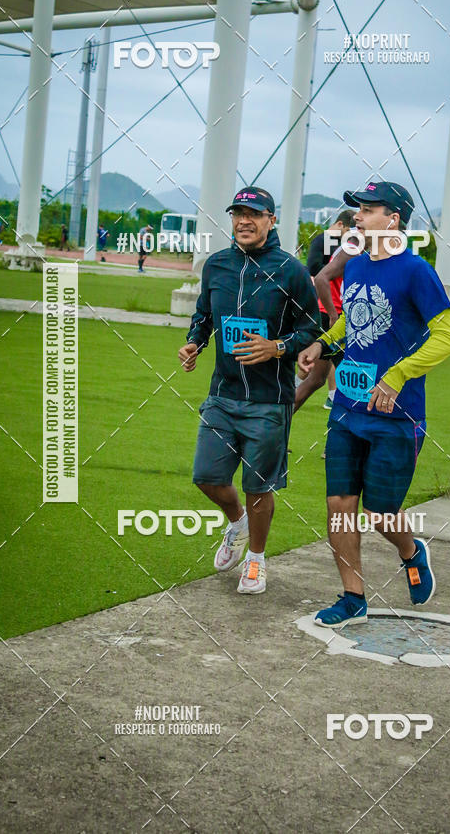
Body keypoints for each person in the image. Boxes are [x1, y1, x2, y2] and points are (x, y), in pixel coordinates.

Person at [298, 181, 450, 627]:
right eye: (357, 209)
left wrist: (397, 373)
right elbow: (356, 317)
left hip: (397, 415)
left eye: (368, 210)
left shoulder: (416, 271)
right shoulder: (357, 266)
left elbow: (449, 336)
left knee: (379, 513)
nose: (358, 217)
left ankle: (410, 551)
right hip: (347, 408)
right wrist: (322, 343)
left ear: (393, 220)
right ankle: (353, 598)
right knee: (339, 506)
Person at [178, 187, 320, 595]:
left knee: (260, 487)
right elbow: (204, 315)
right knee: (206, 476)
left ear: (271, 220)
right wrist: (195, 342)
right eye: (238, 213)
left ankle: (256, 560)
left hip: (269, 401)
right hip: (222, 395)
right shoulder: (216, 265)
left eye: (254, 214)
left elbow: (313, 326)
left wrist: (276, 347)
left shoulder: (291, 270)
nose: (244, 220)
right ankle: (236, 523)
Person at [305, 210, 355, 409]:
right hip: (328, 310)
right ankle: (337, 398)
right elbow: (315, 271)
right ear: (341, 224)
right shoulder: (326, 241)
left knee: (318, 373)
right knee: (340, 362)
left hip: (334, 310)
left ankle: (333, 396)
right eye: (351, 229)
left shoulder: (347, 246)